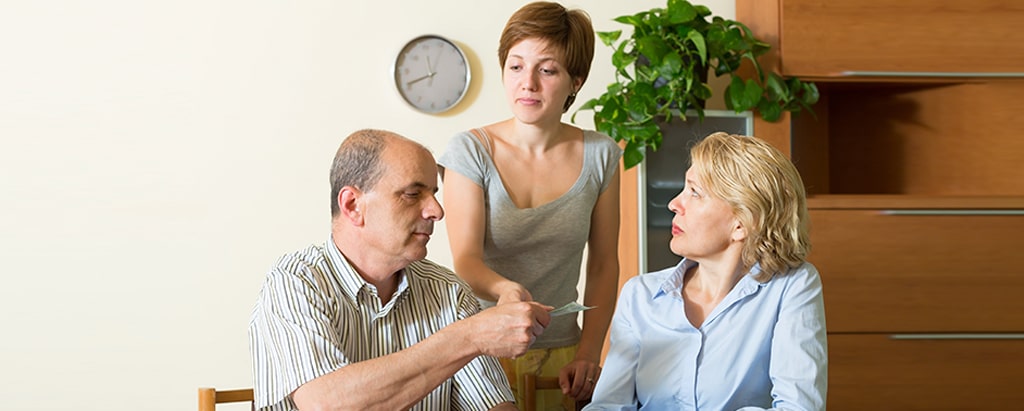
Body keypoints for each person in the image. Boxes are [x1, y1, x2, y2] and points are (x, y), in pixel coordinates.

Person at [248, 129, 553, 411]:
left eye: (433, 193)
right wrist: (470, 336)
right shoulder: (294, 282)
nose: (437, 211)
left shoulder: (449, 292)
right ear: (352, 205)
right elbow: (326, 404)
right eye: (412, 194)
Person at [438, 2, 622, 409]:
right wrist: (506, 290)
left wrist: (589, 352)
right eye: (516, 66)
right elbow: (465, 260)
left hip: (565, 355)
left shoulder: (601, 154)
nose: (528, 84)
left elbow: (604, 263)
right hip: (482, 348)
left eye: (548, 70)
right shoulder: (470, 151)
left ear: (576, 81)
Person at [586, 132, 828, 410]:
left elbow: (799, 407)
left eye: (695, 192)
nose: (674, 204)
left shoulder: (793, 285)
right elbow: (608, 405)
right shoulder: (639, 295)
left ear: (741, 224)